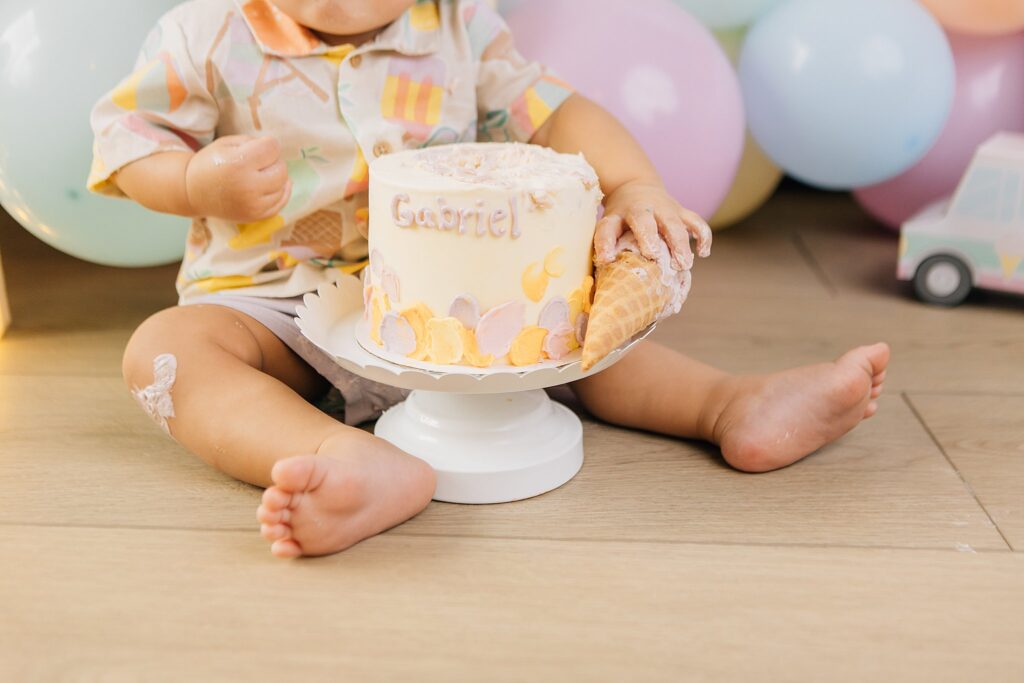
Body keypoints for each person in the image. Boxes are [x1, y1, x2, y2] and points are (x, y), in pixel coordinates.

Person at [90, 0, 890, 558]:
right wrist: (195, 180)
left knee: (582, 338)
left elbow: (556, 110)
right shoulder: (202, 33)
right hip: (275, 305)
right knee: (169, 351)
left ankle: (728, 404)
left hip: (464, 312)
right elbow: (129, 144)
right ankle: (343, 457)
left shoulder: (458, 28)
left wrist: (633, 183)